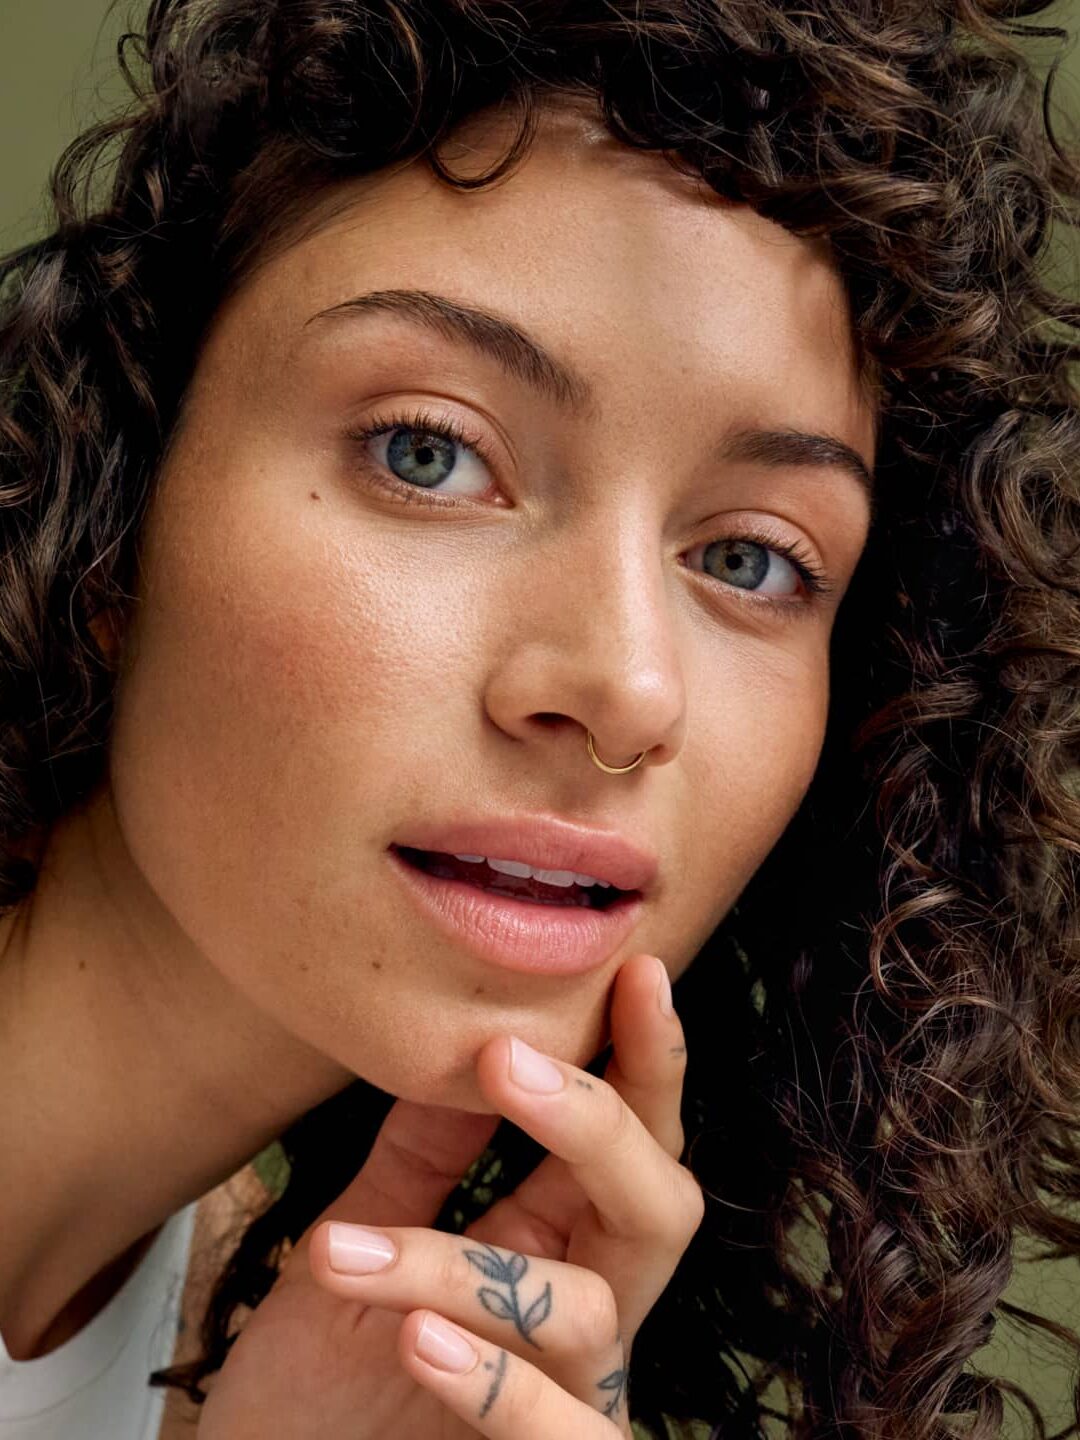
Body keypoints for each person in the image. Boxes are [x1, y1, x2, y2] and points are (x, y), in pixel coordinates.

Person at [2, 0, 1079, 1436]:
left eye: (750, 558)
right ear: (111, 509)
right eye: (430, 452)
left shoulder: (257, 1347)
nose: (630, 688)